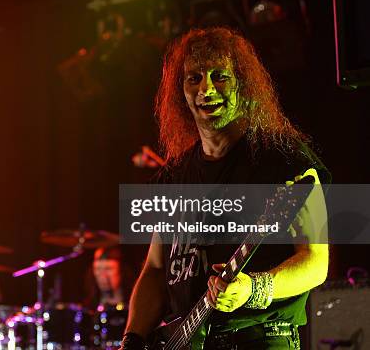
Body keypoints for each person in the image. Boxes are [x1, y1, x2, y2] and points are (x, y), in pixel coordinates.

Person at [120, 27, 329, 350]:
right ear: (182, 92)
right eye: (194, 78)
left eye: (220, 77)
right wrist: (132, 339)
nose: (207, 89)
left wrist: (254, 288)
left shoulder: (285, 161)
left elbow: (316, 263)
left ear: (243, 84)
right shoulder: (174, 177)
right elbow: (156, 269)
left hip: (259, 339)